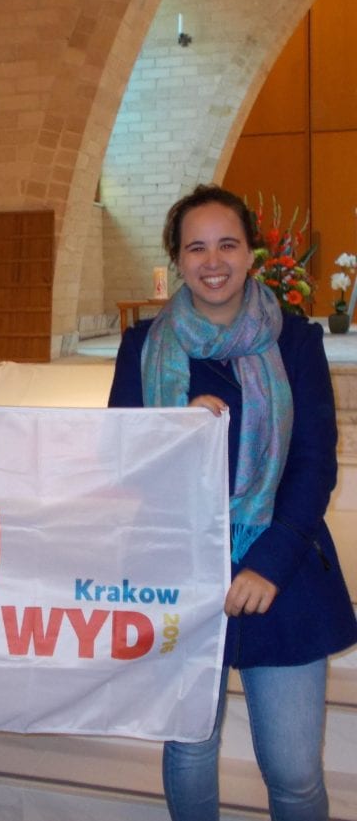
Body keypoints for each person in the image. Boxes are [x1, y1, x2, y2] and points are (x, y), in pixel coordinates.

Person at [108, 184, 357, 821]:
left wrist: (268, 564)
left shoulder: (295, 341)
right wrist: (174, 428)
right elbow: (122, 464)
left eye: (227, 244)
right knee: (192, 751)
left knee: (296, 773)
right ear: (176, 258)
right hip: (182, 570)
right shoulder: (143, 348)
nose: (212, 260)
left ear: (251, 254)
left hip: (282, 569)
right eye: (196, 247)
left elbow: (312, 463)